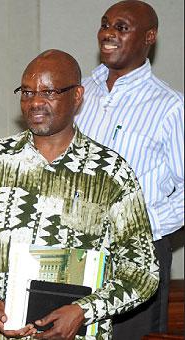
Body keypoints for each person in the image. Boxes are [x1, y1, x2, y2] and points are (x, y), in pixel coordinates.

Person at [0, 49, 159, 340]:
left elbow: (143, 272)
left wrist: (83, 310)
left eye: (49, 92)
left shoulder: (110, 172)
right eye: (27, 92)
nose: (35, 102)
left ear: (78, 95)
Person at [75, 1, 184, 338]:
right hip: (77, 247)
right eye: (105, 24)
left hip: (138, 257)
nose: (108, 33)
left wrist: (145, 227)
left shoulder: (169, 106)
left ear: (148, 37)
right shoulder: (80, 92)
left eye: (121, 27)